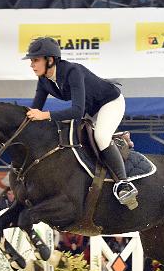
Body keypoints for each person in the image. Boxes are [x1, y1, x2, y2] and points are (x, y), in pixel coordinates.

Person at [23, 36, 138, 208]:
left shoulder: (72, 72)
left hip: (110, 103)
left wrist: (45, 115)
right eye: (31, 61)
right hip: (90, 109)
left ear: (50, 60)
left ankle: (123, 184)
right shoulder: (44, 80)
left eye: (35, 60)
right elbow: (35, 111)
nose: (31, 65)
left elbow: (76, 111)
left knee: (100, 136)